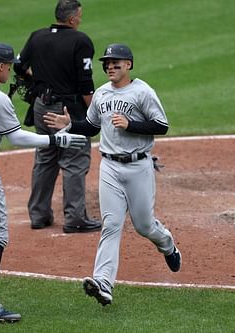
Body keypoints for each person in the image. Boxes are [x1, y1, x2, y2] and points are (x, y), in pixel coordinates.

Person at [0, 42, 88, 322]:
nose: (11, 69)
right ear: (0, 66)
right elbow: (17, 137)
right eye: (8, 65)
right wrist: (57, 139)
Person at [44, 43, 182, 306]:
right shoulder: (102, 94)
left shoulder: (143, 92)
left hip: (139, 166)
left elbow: (161, 126)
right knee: (111, 225)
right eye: (107, 63)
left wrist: (132, 125)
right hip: (109, 167)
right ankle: (103, 284)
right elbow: (93, 126)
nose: (110, 66)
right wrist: (71, 125)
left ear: (128, 65)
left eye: (115, 62)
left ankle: (167, 245)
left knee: (143, 225)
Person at [14, 0, 101, 233]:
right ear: (72, 19)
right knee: (74, 159)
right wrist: (94, 113)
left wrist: (41, 78)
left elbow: (20, 66)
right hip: (67, 110)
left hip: (42, 106)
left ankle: (39, 215)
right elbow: (85, 84)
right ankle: (75, 218)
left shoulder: (37, 36)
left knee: (46, 157)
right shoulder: (80, 41)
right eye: (79, 16)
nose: (80, 20)